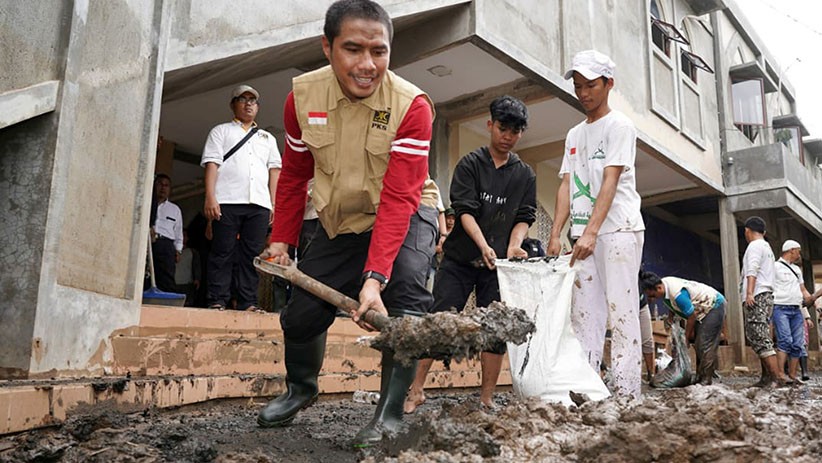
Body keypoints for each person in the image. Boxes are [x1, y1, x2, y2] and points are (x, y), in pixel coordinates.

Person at [255, 0, 439, 447]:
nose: (366, 65)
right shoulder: (302, 99)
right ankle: (301, 388)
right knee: (301, 314)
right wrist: (281, 240)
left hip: (407, 211)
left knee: (405, 300)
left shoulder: (412, 106)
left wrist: (374, 279)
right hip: (342, 218)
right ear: (327, 47)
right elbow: (295, 175)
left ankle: (389, 416)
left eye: (379, 51)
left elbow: (399, 197)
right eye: (353, 49)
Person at [405, 95, 536, 412]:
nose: (507, 136)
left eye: (515, 131)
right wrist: (483, 245)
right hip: (460, 259)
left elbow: (524, 216)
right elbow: (464, 211)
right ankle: (415, 389)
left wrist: (513, 245)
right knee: (440, 319)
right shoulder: (470, 164)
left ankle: (486, 397)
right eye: (503, 128)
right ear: (490, 125)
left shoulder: (525, 175)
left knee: (495, 330)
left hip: (498, 265)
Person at [546, 50, 645, 398]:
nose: (583, 93)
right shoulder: (574, 134)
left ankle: (627, 394)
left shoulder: (620, 126)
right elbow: (566, 184)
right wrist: (556, 234)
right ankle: (587, 393)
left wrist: (591, 232)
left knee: (622, 312)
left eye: (591, 85)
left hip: (619, 231)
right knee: (585, 317)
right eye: (578, 86)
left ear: (608, 84)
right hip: (582, 237)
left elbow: (610, 180)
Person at [201, 84, 282, 311]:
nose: (248, 104)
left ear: (258, 107)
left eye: (252, 100)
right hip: (227, 200)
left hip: (259, 204)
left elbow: (275, 171)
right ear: (233, 104)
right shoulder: (221, 131)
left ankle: (248, 302)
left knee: (251, 255)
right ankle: (217, 299)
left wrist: (273, 203)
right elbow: (212, 164)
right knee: (222, 251)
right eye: (243, 99)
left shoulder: (267, 138)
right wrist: (210, 197)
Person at [640, 271, 726, 385]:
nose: (652, 299)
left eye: (653, 295)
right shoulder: (664, 286)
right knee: (699, 343)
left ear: (658, 288)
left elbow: (691, 316)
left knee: (704, 344)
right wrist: (670, 317)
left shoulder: (678, 294)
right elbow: (671, 303)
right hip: (701, 310)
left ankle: (706, 379)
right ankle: (701, 377)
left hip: (713, 304)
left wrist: (686, 337)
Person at [740, 216, 787, 386]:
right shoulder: (767, 247)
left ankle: (776, 378)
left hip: (757, 295)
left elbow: (752, 270)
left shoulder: (754, 246)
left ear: (747, 230)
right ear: (764, 232)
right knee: (763, 335)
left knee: (758, 336)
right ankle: (766, 378)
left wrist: (749, 293)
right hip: (766, 295)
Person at [773, 239, 817, 384]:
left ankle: (792, 376)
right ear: (791, 250)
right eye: (798, 251)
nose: (799, 254)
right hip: (780, 307)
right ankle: (780, 374)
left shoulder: (797, 270)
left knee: (798, 343)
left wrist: (814, 302)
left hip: (796, 309)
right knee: (785, 340)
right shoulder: (775, 267)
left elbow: (802, 289)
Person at [150, 173, 184, 292]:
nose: (163, 188)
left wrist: (178, 250)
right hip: (148, 243)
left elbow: (178, 231)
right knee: (147, 275)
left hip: (166, 246)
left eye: (166, 185)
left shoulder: (175, 209)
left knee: (166, 279)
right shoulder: (147, 204)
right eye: (160, 184)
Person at [174, 229, 202, 306]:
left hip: (187, 284)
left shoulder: (192, 252)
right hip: (174, 284)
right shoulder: (170, 251)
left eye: (185, 236)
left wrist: (197, 279)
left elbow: (196, 266)